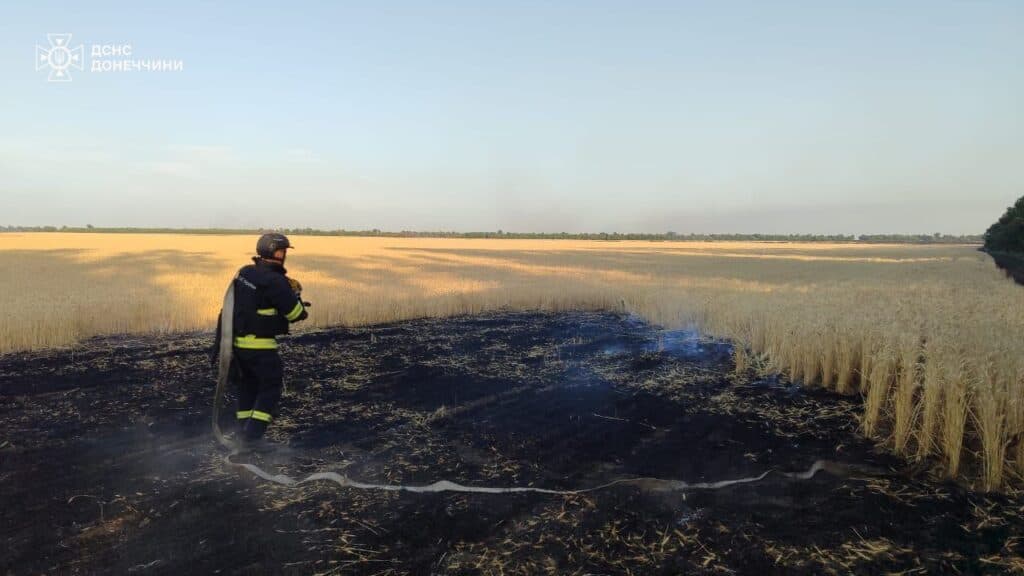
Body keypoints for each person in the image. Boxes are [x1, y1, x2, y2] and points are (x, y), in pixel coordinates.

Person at [214, 232, 309, 452]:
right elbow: (296, 314)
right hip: (260, 348)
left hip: (237, 347)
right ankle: (252, 438)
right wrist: (295, 295)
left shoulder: (245, 273)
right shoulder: (275, 281)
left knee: (248, 386)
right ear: (276, 252)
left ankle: (242, 432)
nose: (284, 254)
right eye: (282, 250)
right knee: (271, 388)